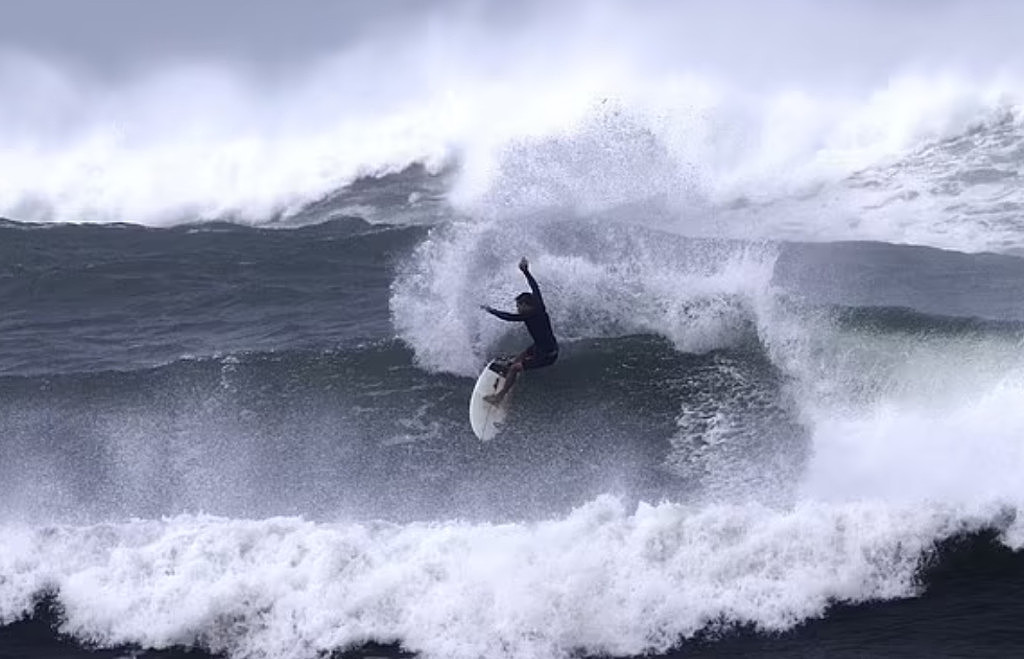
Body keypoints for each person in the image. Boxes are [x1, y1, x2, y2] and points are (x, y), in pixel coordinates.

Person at [480, 257, 558, 405]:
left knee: (515, 367)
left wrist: (490, 310)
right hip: (542, 347)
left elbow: (507, 317)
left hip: (547, 355)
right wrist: (526, 272)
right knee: (518, 358)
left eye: (519, 306)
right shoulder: (538, 305)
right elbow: (535, 287)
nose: (517, 309)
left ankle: (499, 397)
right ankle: (511, 378)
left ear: (526, 305)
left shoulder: (529, 315)